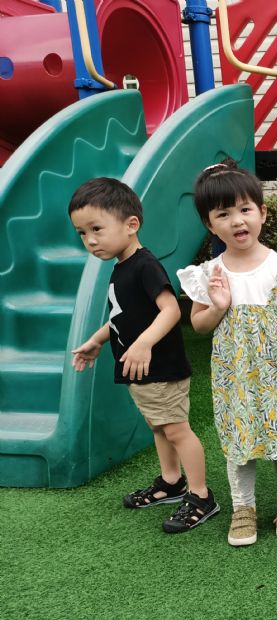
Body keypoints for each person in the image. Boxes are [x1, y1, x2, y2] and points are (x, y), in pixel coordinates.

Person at [178, 159, 277, 546]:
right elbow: (199, 324)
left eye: (245, 209)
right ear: (210, 224)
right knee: (239, 440)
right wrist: (218, 306)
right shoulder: (208, 273)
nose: (237, 221)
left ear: (262, 212)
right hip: (235, 374)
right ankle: (243, 508)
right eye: (223, 214)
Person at [70, 178, 218, 533]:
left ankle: (201, 495)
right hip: (141, 370)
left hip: (161, 367)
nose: (90, 240)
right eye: (82, 233)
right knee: (159, 426)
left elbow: (171, 309)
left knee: (176, 429)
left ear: (131, 224)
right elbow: (122, 315)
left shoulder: (145, 265)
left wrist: (143, 343)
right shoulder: (121, 266)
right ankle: (171, 481)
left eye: (96, 229)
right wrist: (98, 340)